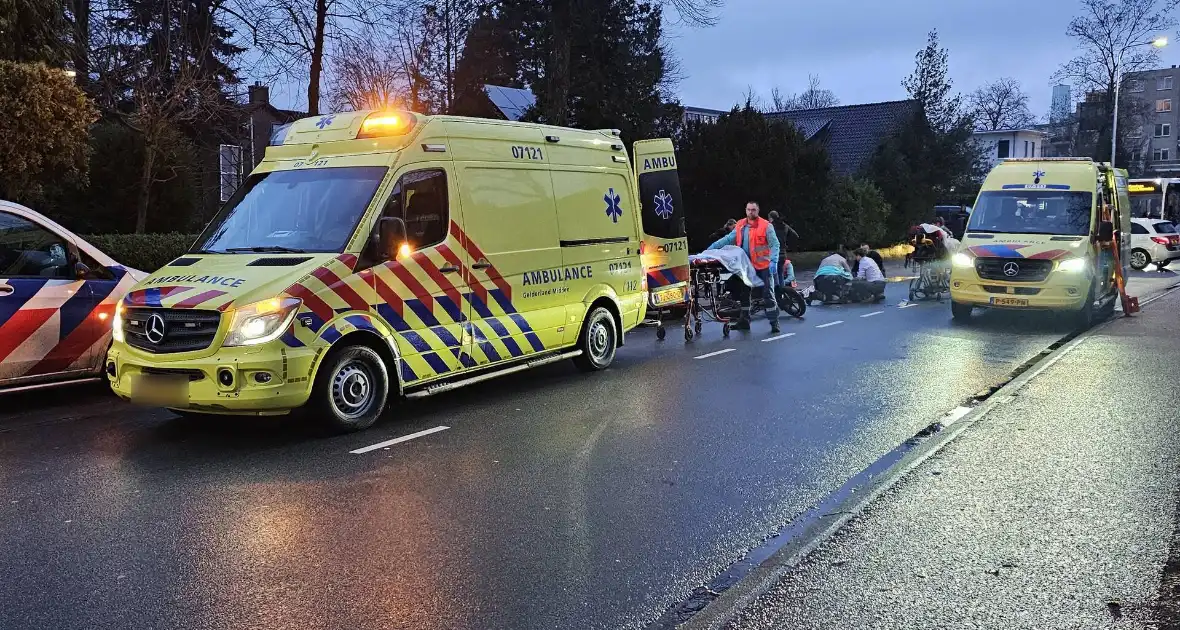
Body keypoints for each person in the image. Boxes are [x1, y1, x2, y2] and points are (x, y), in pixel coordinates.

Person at [708, 201, 781, 333]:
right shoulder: (741, 225)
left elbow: (774, 245)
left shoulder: (766, 226)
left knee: (767, 294)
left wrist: (774, 261)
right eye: (748, 210)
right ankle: (744, 321)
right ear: (745, 211)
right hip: (747, 266)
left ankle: (774, 323)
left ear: (757, 211)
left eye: (753, 210)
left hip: (763, 266)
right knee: (744, 293)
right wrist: (711, 248)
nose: (751, 212)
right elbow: (728, 239)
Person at [767, 210, 800, 285]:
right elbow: (796, 236)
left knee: (773, 275)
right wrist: (786, 243)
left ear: (771, 218)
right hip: (783, 254)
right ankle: (782, 293)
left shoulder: (770, 226)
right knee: (780, 274)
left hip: (773, 254)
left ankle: (776, 294)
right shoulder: (785, 226)